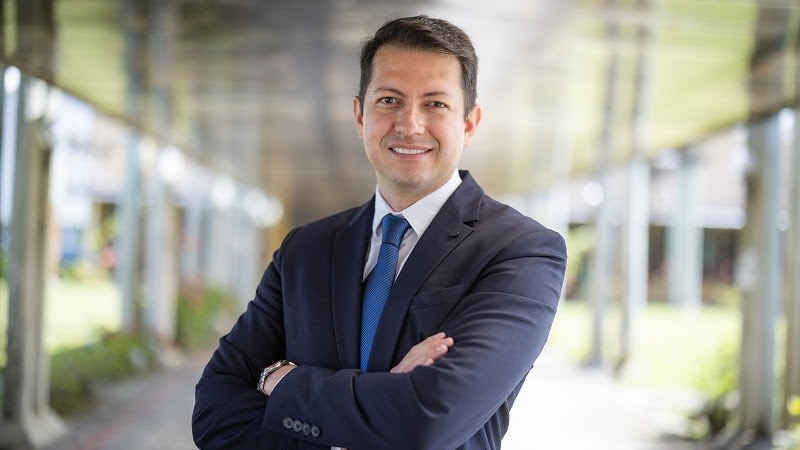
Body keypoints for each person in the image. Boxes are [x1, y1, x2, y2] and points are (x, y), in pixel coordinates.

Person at [192, 15, 567, 450]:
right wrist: (382, 405)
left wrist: (283, 382)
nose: (410, 125)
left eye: (435, 104)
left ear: (469, 124)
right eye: (389, 100)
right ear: (359, 115)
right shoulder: (304, 251)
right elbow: (214, 414)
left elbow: (429, 420)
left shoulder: (520, 251)